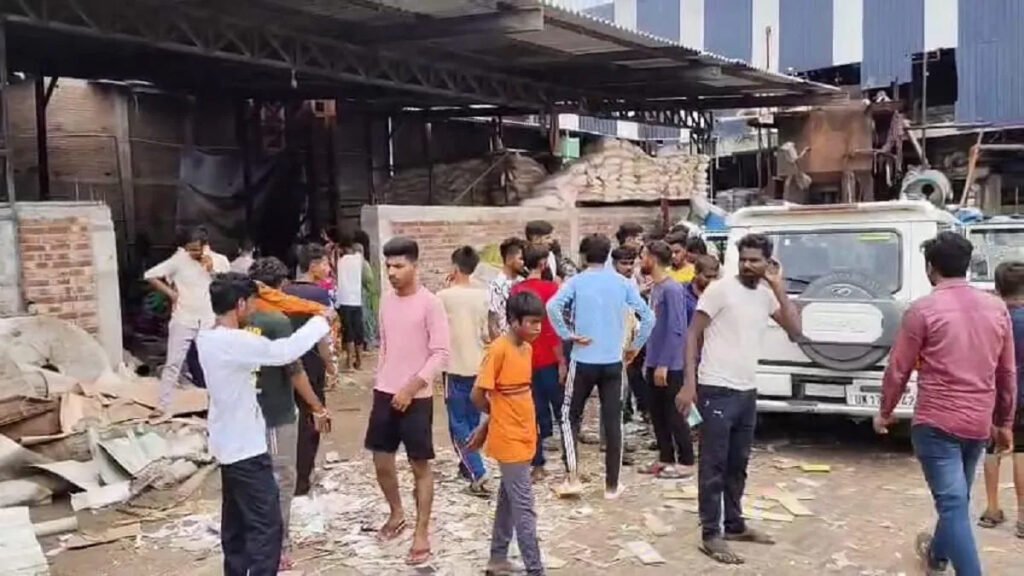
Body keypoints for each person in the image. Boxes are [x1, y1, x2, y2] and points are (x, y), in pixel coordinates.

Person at [875, 232, 1017, 576]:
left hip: (936, 422)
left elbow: (898, 368)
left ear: (930, 268)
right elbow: (1006, 372)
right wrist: (1004, 422)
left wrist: (885, 411)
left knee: (953, 502)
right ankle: (937, 555)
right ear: (967, 265)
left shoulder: (923, 310)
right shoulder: (996, 308)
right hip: (978, 422)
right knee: (956, 498)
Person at [195, 272, 334, 576]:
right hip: (245, 449)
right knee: (267, 526)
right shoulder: (235, 342)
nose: (256, 309)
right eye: (252, 303)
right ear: (240, 304)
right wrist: (320, 321)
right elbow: (284, 352)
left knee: (235, 525)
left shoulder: (206, 337)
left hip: (227, 446)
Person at [676, 233, 801, 565]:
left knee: (738, 463)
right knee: (713, 464)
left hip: (747, 390)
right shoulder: (720, 290)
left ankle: (734, 524)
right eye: (743, 259)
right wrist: (689, 384)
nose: (747, 265)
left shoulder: (766, 295)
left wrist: (778, 287)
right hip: (715, 388)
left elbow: (796, 332)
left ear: (768, 262)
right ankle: (710, 533)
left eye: (754, 260)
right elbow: (692, 334)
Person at [548, 234, 655, 499]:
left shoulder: (576, 281)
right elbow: (648, 317)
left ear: (584, 256)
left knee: (569, 416)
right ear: (608, 255)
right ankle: (612, 486)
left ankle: (572, 477)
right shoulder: (622, 283)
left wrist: (567, 334)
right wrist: (634, 347)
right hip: (613, 362)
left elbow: (552, 307)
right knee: (613, 421)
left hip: (583, 359)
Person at [366, 237, 450, 566]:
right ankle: (396, 512)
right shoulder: (386, 301)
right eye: (388, 266)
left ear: (415, 266)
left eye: (399, 266)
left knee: (420, 466)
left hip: (417, 397)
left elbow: (440, 353)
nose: (391, 272)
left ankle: (421, 532)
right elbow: (385, 346)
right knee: (381, 461)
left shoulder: (431, 303)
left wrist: (411, 387)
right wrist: (382, 381)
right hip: (384, 392)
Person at [244, 284, 333, 570]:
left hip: (246, 412)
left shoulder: (231, 323)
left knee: (252, 479)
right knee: (281, 478)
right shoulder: (275, 321)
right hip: (276, 411)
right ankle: (278, 545)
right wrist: (317, 406)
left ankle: (254, 539)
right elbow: (293, 368)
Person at [468, 291, 548, 576]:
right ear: (514, 321)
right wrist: (491, 421)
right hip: (509, 437)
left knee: (509, 499)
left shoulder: (526, 349)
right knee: (524, 506)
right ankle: (535, 570)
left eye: (540, 322)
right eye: (532, 322)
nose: (537, 328)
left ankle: (498, 557)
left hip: (525, 432)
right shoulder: (498, 350)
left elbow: (516, 394)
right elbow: (478, 395)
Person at [145, 226, 231, 416]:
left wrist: (212, 270)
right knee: (173, 363)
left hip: (209, 320)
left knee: (213, 363)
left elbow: (227, 286)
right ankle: (163, 406)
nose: (192, 253)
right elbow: (150, 275)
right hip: (183, 318)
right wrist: (172, 294)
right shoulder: (179, 260)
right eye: (189, 249)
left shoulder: (220, 260)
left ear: (205, 246)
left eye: (195, 249)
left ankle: (218, 405)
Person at [281, 245, 336, 496]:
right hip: (311, 361)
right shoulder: (318, 295)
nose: (328, 268)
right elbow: (322, 336)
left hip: (284, 360)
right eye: (325, 263)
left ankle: (288, 474)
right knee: (311, 416)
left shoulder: (283, 291)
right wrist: (330, 364)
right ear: (313, 266)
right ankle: (302, 478)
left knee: (288, 417)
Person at [437, 246, 491, 496]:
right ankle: (467, 464)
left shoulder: (443, 297)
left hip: (454, 365)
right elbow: (488, 331)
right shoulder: (483, 295)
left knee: (457, 422)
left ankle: (478, 471)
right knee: (471, 418)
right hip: (479, 364)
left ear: (454, 267)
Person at [640, 240, 694, 479]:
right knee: (657, 413)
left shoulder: (672, 289)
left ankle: (686, 460)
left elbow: (676, 329)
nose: (641, 261)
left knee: (674, 414)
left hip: (669, 364)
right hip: (653, 360)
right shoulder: (656, 287)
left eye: (643, 256)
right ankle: (665, 457)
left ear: (652, 259)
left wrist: (664, 363)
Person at [511, 244, 566, 480]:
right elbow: (554, 328)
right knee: (563, 412)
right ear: (544, 264)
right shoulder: (552, 289)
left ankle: (537, 464)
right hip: (550, 358)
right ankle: (570, 463)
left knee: (532, 412)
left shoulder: (517, 291)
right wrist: (562, 360)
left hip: (525, 359)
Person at [979, 260, 1024, 539]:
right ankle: (1023, 517)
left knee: (991, 449)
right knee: (1022, 452)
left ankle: (992, 508)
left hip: (992, 394)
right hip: (1023, 395)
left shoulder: (991, 319)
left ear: (997, 288)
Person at [336, 233, 366, 370]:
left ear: (342, 248)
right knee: (358, 330)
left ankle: (349, 362)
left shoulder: (340, 261)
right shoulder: (358, 259)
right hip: (357, 300)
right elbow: (360, 250)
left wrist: (336, 251)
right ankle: (359, 360)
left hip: (344, 300)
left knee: (348, 332)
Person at [488, 237, 525, 339]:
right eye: (521, 259)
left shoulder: (523, 282)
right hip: (504, 340)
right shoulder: (496, 285)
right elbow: (492, 321)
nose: (524, 263)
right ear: (509, 259)